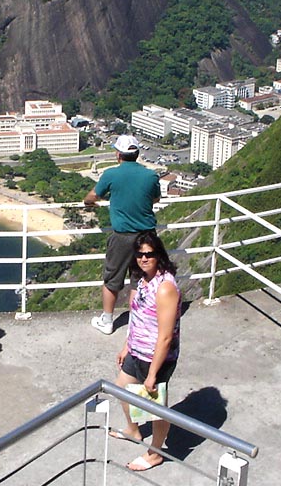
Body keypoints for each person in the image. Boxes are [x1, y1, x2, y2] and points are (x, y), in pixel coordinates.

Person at [112, 230, 181, 472]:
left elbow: (165, 336)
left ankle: (156, 452)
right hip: (137, 350)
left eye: (150, 254)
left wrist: (152, 374)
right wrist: (126, 345)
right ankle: (133, 430)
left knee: (155, 407)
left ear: (159, 255)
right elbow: (137, 317)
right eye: (140, 254)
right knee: (122, 388)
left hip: (156, 357)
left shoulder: (165, 287)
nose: (144, 258)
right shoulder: (143, 280)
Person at [84, 135, 160, 334]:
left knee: (112, 278)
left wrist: (88, 202)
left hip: (122, 236)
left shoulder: (111, 174)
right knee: (139, 278)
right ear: (137, 154)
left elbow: (92, 196)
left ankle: (107, 320)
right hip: (147, 235)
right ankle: (135, 320)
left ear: (118, 154)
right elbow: (156, 198)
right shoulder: (151, 176)